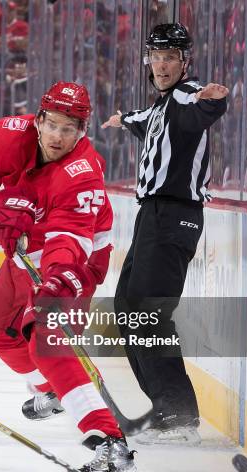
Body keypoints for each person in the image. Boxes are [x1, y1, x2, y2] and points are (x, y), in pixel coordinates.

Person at [0, 82, 136, 472]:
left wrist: (58, 279)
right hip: (26, 250)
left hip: (77, 257)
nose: (57, 136)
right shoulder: (9, 134)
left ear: (82, 131)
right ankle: (51, 389)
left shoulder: (83, 172)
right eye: (51, 124)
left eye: (69, 128)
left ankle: (109, 440)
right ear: (38, 119)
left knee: (46, 337)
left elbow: (68, 238)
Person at [102, 23, 228, 445]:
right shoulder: (159, 108)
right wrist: (122, 120)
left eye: (170, 57)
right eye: (156, 57)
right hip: (151, 218)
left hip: (175, 218)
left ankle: (179, 416)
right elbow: (142, 120)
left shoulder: (187, 95)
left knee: (149, 313)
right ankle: (166, 409)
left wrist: (213, 102)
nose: (161, 64)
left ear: (184, 62)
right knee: (127, 308)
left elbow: (200, 110)